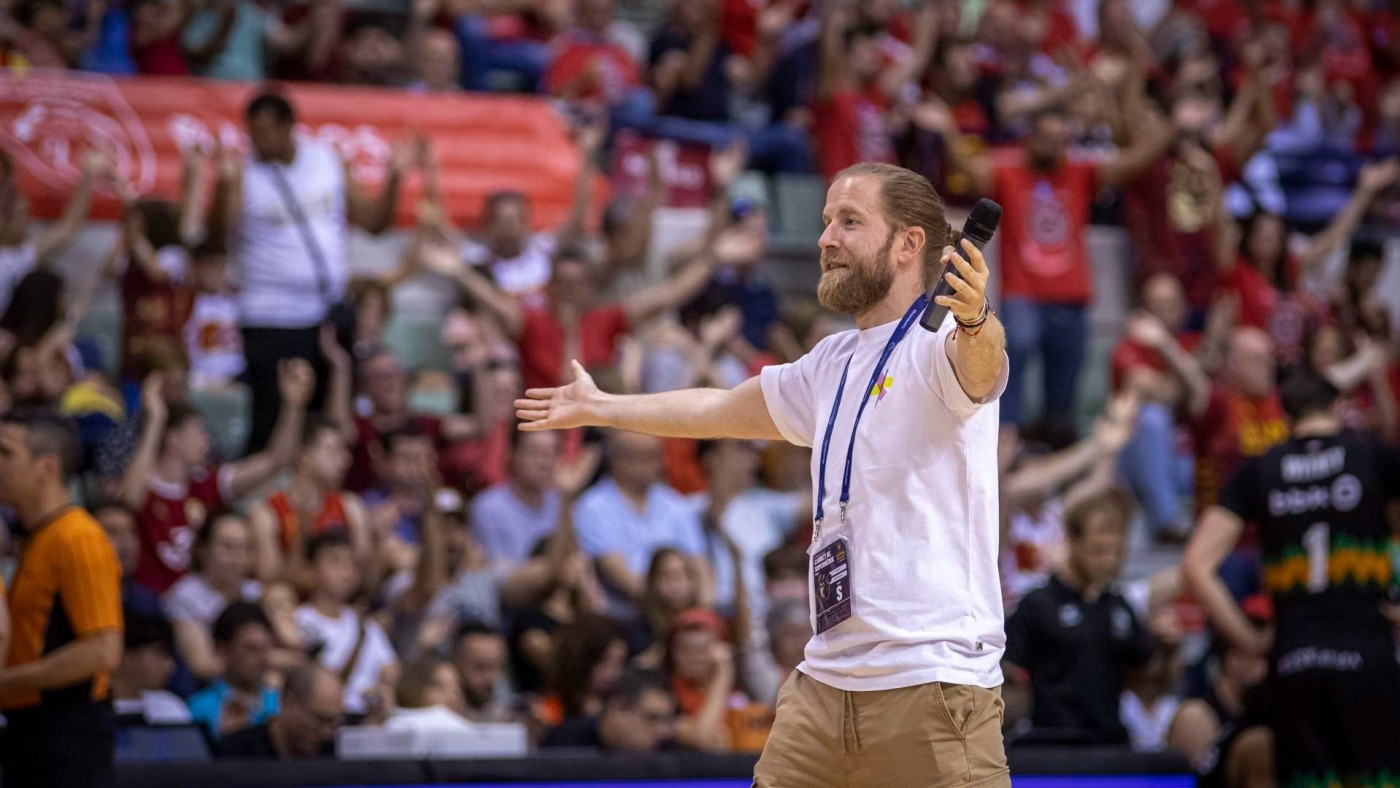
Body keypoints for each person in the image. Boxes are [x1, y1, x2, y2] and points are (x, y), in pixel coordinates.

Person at [516, 162, 1011, 785]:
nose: (826, 238)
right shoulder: (830, 360)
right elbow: (717, 408)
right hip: (825, 682)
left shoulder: (941, 346)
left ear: (910, 243)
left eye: (849, 222)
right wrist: (601, 407)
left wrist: (974, 319)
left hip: (931, 681)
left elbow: (983, 367)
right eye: (827, 220)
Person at [1184, 372, 1400, 788]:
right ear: (1338, 408)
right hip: (1366, 649)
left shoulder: (1261, 468)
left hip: (1295, 656)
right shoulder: (1371, 455)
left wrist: (1249, 640)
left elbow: (1196, 564)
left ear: (1286, 415)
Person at [213, 91, 411, 453]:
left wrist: (395, 179)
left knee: (330, 421)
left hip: (326, 315)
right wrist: (222, 189)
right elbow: (216, 238)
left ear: (290, 127)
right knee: (269, 419)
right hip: (268, 315)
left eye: (266, 131)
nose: (257, 140)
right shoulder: (243, 173)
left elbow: (374, 223)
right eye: (252, 132)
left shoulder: (328, 161)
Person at [0, 409, 123, 788]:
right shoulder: (37, 537)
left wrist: (6, 682)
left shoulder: (77, 538)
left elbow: (102, 650)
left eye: (5, 453)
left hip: (66, 736)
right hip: (34, 732)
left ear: (47, 467)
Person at [121, 360, 315, 595]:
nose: (206, 440)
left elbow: (276, 461)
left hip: (205, 600)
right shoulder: (145, 487)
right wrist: (155, 419)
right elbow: (129, 500)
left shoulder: (207, 484)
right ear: (173, 438)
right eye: (198, 431)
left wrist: (292, 406)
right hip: (151, 605)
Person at [1002, 488, 1155, 744]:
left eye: (1115, 551)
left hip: (1110, 740)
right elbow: (1007, 670)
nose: (1108, 561)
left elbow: (1146, 673)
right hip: (1050, 742)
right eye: (1097, 550)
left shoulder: (1120, 607)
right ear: (1073, 541)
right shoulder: (1037, 604)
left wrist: (1168, 646)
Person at [572, 431, 709, 611]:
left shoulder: (675, 504)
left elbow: (700, 564)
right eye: (644, 457)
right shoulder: (593, 507)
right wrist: (663, 603)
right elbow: (615, 570)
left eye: (656, 457)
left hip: (680, 606)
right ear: (617, 460)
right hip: (625, 611)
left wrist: (704, 608)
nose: (660, 464)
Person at [248, 417, 370, 584]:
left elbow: (363, 579)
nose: (346, 459)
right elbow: (268, 580)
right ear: (304, 455)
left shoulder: (351, 507)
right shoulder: (267, 511)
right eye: (334, 450)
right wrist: (300, 542)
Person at [295, 532, 398, 718]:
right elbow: (324, 683)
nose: (345, 572)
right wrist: (358, 641)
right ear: (310, 569)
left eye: (351, 565)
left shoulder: (365, 623)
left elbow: (390, 668)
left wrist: (383, 688)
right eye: (335, 562)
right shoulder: (301, 620)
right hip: (330, 716)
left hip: (369, 714)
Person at [162, 513, 261, 682]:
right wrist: (268, 662)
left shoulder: (256, 593)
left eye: (244, 547)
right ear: (203, 549)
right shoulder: (184, 597)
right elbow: (202, 665)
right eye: (228, 547)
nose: (238, 557)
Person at [469, 429, 562, 574]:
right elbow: (498, 577)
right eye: (536, 453)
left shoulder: (562, 505)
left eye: (551, 454)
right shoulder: (488, 508)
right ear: (512, 455)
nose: (545, 464)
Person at [186, 601, 280, 741]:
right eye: (251, 649)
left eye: (265, 649)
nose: (262, 658)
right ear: (223, 650)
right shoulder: (197, 709)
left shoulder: (281, 704)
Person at [217, 664, 344, 759]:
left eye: (332, 723)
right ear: (287, 701)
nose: (327, 732)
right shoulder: (239, 752)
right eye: (319, 719)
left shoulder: (334, 752)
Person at [541, 669, 678, 752]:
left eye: (668, 719)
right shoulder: (563, 743)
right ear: (619, 708)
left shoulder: (671, 748)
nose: (664, 732)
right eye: (652, 718)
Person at [111, 612, 191, 726]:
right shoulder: (91, 712)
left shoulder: (170, 707)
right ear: (126, 656)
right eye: (159, 654)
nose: (170, 666)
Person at [386, 653, 472, 734]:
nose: (454, 695)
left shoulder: (467, 731)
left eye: (457, 686)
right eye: (439, 686)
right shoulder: (394, 728)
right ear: (413, 688)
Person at [451, 622, 512, 723]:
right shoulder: (437, 715)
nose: (490, 677)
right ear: (456, 664)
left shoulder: (509, 719)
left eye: (497, 667)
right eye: (480, 667)